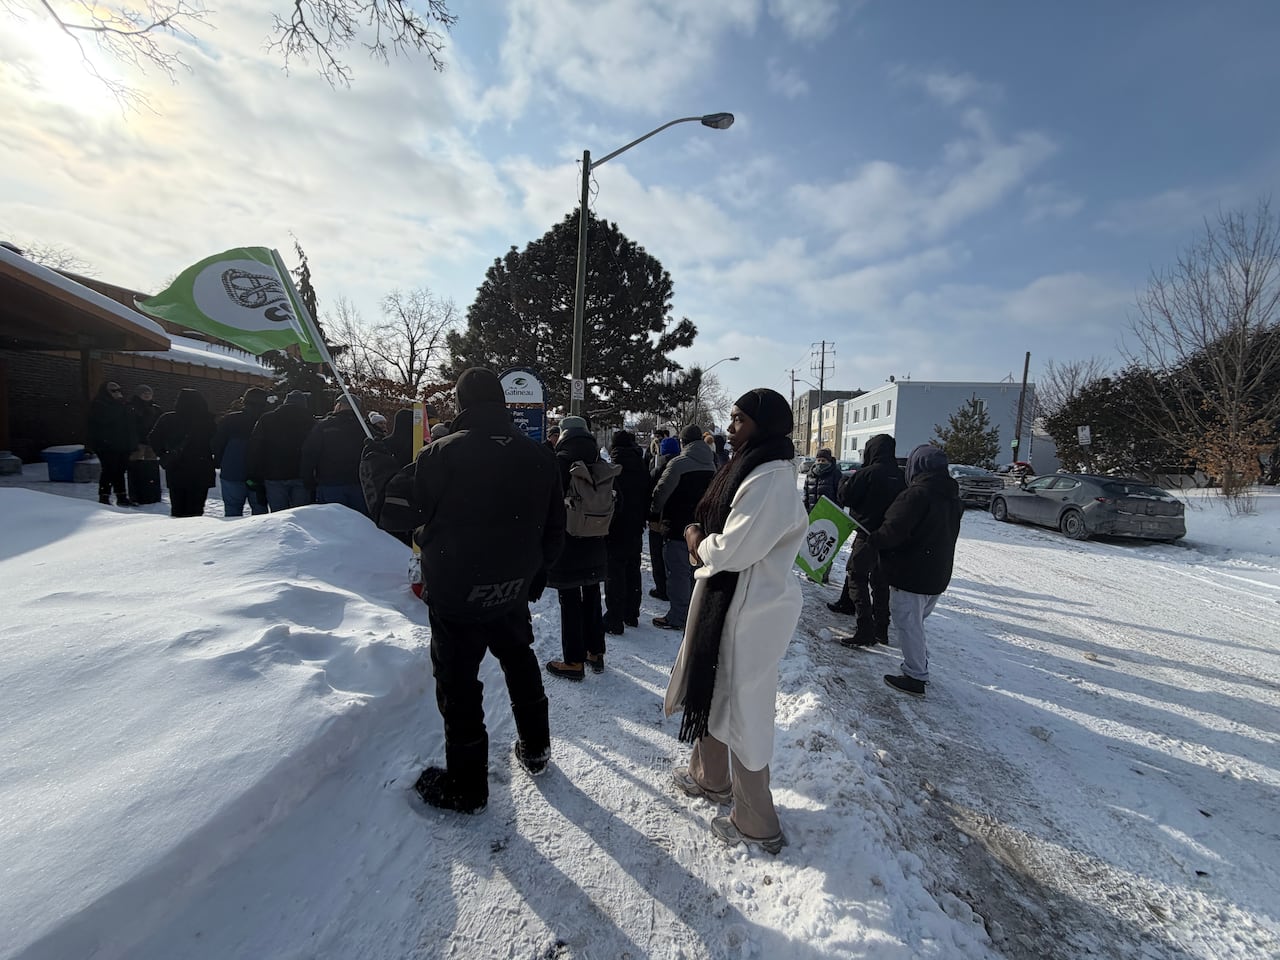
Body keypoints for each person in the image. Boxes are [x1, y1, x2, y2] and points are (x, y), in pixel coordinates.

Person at [403, 367, 566, 814]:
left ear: (460, 404)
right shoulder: (539, 456)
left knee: (458, 683)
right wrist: (534, 574)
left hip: (456, 594)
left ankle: (467, 785)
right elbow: (556, 530)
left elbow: (399, 512)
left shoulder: (440, 455)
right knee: (519, 660)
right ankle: (537, 748)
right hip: (511, 589)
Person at [664, 388, 807, 855]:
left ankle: (756, 819)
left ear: (763, 425)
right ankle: (710, 777)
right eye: (732, 417)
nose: (730, 426)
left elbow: (732, 550)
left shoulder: (769, 478)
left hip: (749, 610)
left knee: (744, 709)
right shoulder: (753, 466)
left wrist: (695, 540)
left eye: (739, 418)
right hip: (730, 604)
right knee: (713, 688)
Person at [864, 444, 962, 697]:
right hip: (937, 572)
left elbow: (892, 531)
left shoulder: (916, 495)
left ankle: (915, 675)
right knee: (916, 622)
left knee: (908, 624)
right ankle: (920, 660)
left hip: (911, 573)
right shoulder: (951, 497)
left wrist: (872, 539)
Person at [545, 416, 611, 680]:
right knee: (593, 594)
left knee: (569, 599)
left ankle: (573, 661)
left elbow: (548, 501)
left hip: (568, 541)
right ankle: (596, 651)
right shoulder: (600, 461)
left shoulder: (560, 462)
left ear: (563, 434)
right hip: (596, 540)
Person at [830, 434, 906, 646]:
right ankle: (881, 628)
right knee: (881, 583)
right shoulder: (902, 476)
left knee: (857, 576)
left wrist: (844, 482)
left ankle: (865, 629)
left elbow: (845, 497)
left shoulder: (866, 473)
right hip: (890, 537)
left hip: (867, 534)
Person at [649, 425, 716, 630]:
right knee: (695, 572)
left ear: (683, 442)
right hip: (700, 527)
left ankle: (678, 617)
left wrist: (653, 514)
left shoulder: (678, 464)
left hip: (677, 524)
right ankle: (694, 615)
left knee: (677, 573)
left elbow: (661, 491)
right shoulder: (712, 464)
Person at [603, 430, 649, 636]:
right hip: (636, 525)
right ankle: (632, 613)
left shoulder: (612, 468)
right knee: (633, 568)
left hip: (615, 527)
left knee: (615, 572)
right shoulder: (641, 466)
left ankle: (614, 619)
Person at [148, 388, 217, 518]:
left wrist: (163, 454)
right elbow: (215, 442)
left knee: (178, 507)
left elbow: (153, 437)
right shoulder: (207, 420)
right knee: (196, 508)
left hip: (176, 467)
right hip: (201, 467)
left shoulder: (168, 418)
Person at [300, 395, 369, 514]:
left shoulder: (323, 426)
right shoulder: (366, 428)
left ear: (339, 406)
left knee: (332, 523)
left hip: (330, 482)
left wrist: (308, 479)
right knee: (359, 523)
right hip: (359, 483)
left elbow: (310, 453)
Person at [247, 390, 314, 511]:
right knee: (300, 515)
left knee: (278, 515)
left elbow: (255, 447)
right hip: (300, 474)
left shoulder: (267, 419)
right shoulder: (311, 422)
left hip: (274, 474)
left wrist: (255, 473)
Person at [212, 387, 270, 517]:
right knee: (260, 512)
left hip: (232, 471)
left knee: (232, 511)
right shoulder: (267, 421)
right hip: (258, 475)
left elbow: (216, 444)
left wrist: (222, 462)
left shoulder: (230, 420)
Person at [87, 380, 137, 506]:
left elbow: (130, 424)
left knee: (120, 470)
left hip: (122, 443)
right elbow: (105, 420)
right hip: (106, 444)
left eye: (119, 389)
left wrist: (132, 443)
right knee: (109, 470)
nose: (117, 392)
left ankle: (121, 496)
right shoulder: (100, 404)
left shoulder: (123, 404)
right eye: (113, 390)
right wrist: (119, 405)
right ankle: (104, 496)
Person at [647, 435, 681, 603]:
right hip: (676, 517)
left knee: (657, 555)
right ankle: (674, 588)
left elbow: (651, 494)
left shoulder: (657, 469)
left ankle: (662, 588)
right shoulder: (683, 467)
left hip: (658, 518)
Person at [802, 447, 841, 584]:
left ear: (829, 461)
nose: (820, 462)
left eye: (823, 460)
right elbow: (806, 494)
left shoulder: (835, 474)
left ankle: (823, 573)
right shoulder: (810, 474)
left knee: (825, 547)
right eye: (818, 459)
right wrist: (806, 511)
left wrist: (837, 511)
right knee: (812, 545)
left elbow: (839, 495)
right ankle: (811, 571)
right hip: (814, 515)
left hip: (829, 516)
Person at [127, 385, 162, 459]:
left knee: (151, 462)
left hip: (151, 440)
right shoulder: (132, 407)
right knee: (136, 460)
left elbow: (159, 422)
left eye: (149, 393)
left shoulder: (156, 408)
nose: (147, 395)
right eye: (144, 393)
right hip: (138, 440)